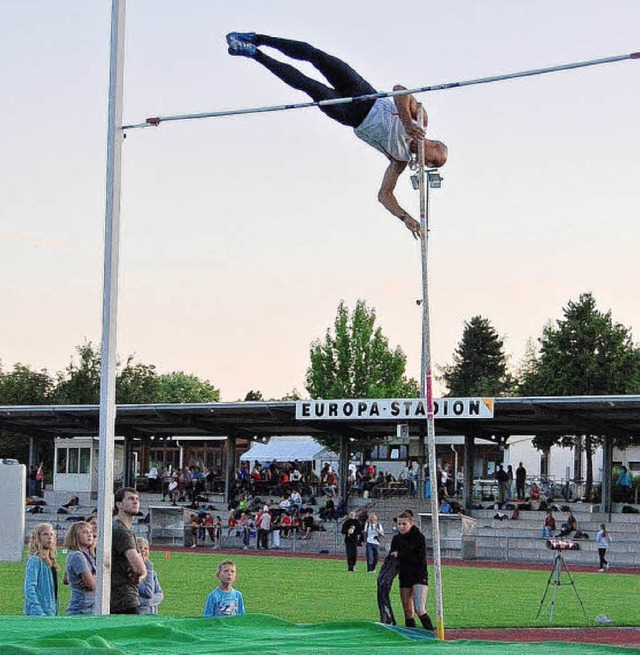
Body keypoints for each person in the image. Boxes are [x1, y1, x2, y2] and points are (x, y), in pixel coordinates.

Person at [226, 33, 447, 240]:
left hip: (350, 115)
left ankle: (255, 54)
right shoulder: (421, 120)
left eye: (430, 165)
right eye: (433, 160)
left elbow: (384, 195)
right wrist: (407, 122)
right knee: (316, 56)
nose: (427, 164)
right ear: (434, 145)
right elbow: (400, 90)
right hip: (364, 92)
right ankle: (258, 39)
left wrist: (405, 217)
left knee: (306, 85)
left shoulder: (399, 160)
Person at [389, 511, 434, 631]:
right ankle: (411, 635)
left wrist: (401, 554)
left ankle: (431, 633)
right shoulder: (396, 539)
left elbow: (419, 557)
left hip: (419, 574)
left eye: (404, 524)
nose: (401, 527)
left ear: (410, 523)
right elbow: (393, 556)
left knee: (419, 607)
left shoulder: (419, 537)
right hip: (404, 575)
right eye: (399, 524)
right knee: (408, 610)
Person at [111, 487, 147, 614]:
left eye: (137, 499)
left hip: (119, 595)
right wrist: (140, 573)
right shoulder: (122, 532)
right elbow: (140, 569)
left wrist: (139, 575)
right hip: (123, 597)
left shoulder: (119, 528)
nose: (135, 501)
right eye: (131, 499)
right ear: (119, 504)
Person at [24, 522, 58, 616]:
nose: (49, 537)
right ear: (38, 538)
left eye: (51, 534)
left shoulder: (51, 562)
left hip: (50, 611)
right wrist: (37, 609)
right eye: (45, 534)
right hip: (39, 613)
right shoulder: (35, 560)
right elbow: (29, 587)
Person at [64, 521, 96, 615]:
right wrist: (94, 578)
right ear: (75, 536)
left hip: (89, 604)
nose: (90, 535)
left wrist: (94, 577)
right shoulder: (77, 556)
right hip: (82, 607)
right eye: (85, 532)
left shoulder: (87, 554)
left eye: (90, 532)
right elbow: (92, 585)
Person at [137, 538, 165, 614]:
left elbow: (160, 594)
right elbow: (147, 592)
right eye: (140, 548)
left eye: (146, 548)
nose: (143, 550)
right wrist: (148, 568)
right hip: (140, 615)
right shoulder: (133, 573)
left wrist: (148, 601)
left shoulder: (152, 573)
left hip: (153, 614)